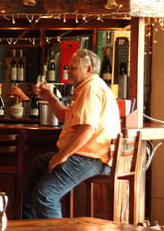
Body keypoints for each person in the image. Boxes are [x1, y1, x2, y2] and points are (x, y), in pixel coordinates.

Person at [22, 49, 121, 219]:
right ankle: (31, 229)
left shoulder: (90, 89)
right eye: (69, 67)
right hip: (88, 155)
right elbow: (67, 118)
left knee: (45, 196)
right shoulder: (88, 87)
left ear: (88, 69)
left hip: (90, 158)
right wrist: (51, 98)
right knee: (39, 164)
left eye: (73, 68)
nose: (68, 71)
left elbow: (87, 128)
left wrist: (63, 155)